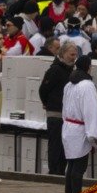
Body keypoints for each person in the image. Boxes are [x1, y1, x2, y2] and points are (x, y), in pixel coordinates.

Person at [61, 55, 97, 193]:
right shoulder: (87, 85)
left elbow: (64, 107)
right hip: (80, 129)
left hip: (68, 126)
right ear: (88, 67)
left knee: (71, 164)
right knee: (79, 166)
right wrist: (94, 134)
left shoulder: (68, 84)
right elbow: (91, 110)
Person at [39, 40, 78, 176]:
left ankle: (61, 171)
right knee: (55, 144)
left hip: (66, 114)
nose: (74, 57)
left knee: (64, 145)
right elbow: (43, 89)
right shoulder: (55, 70)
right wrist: (47, 103)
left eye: (75, 55)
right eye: (71, 54)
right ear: (63, 53)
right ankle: (54, 172)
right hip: (55, 112)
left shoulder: (72, 71)